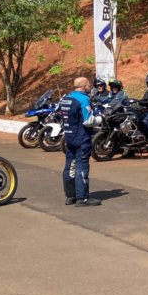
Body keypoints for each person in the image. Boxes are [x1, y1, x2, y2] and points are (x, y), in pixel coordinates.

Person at [60, 77, 101, 207]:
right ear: (84, 86)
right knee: (81, 167)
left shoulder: (66, 99)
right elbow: (87, 121)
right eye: (88, 83)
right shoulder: (84, 99)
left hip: (69, 137)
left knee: (70, 166)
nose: (89, 85)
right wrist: (100, 118)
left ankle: (71, 196)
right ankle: (82, 198)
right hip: (81, 138)